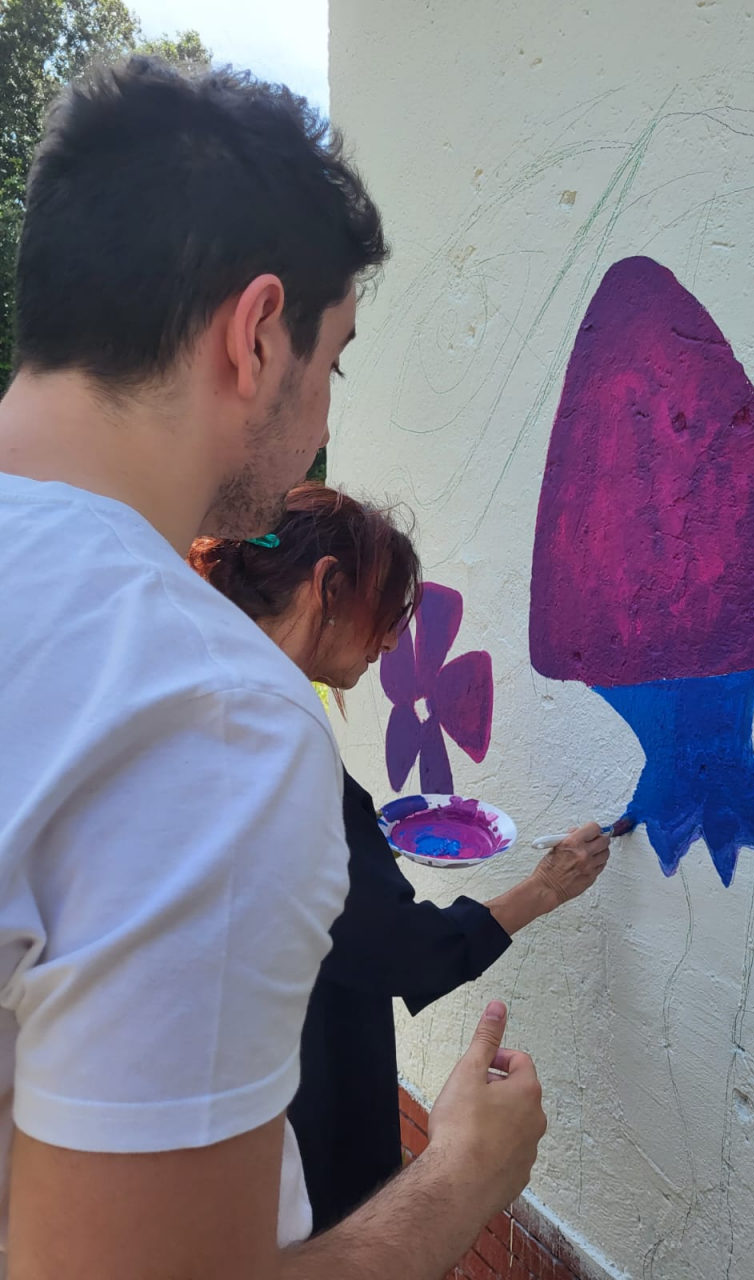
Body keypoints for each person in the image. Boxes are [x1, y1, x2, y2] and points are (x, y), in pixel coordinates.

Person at [0, 55, 546, 1280]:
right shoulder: (206, 715)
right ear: (256, 335)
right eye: (335, 360)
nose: (327, 423)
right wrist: (463, 1172)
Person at [190, 483, 612, 1233]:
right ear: (328, 588)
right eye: (387, 616)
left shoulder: (205, 692)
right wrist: (547, 887)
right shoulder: (272, 739)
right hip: (293, 1108)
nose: (390, 644)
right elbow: (402, 951)